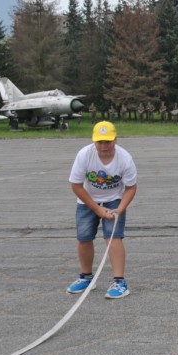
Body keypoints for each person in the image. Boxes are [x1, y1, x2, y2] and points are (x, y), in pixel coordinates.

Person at [67, 121, 138, 299]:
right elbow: (76, 185)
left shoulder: (125, 158)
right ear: (94, 141)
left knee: (113, 237)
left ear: (115, 139)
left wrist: (120, 209)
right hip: (87, 199)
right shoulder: (84, 155)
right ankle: (86, 278)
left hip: (115, 199)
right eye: (100, 142)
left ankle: (120, 282)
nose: (104, 146)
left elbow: (131, 187)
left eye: (108, 141)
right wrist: (97, 209)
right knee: (84, 237)